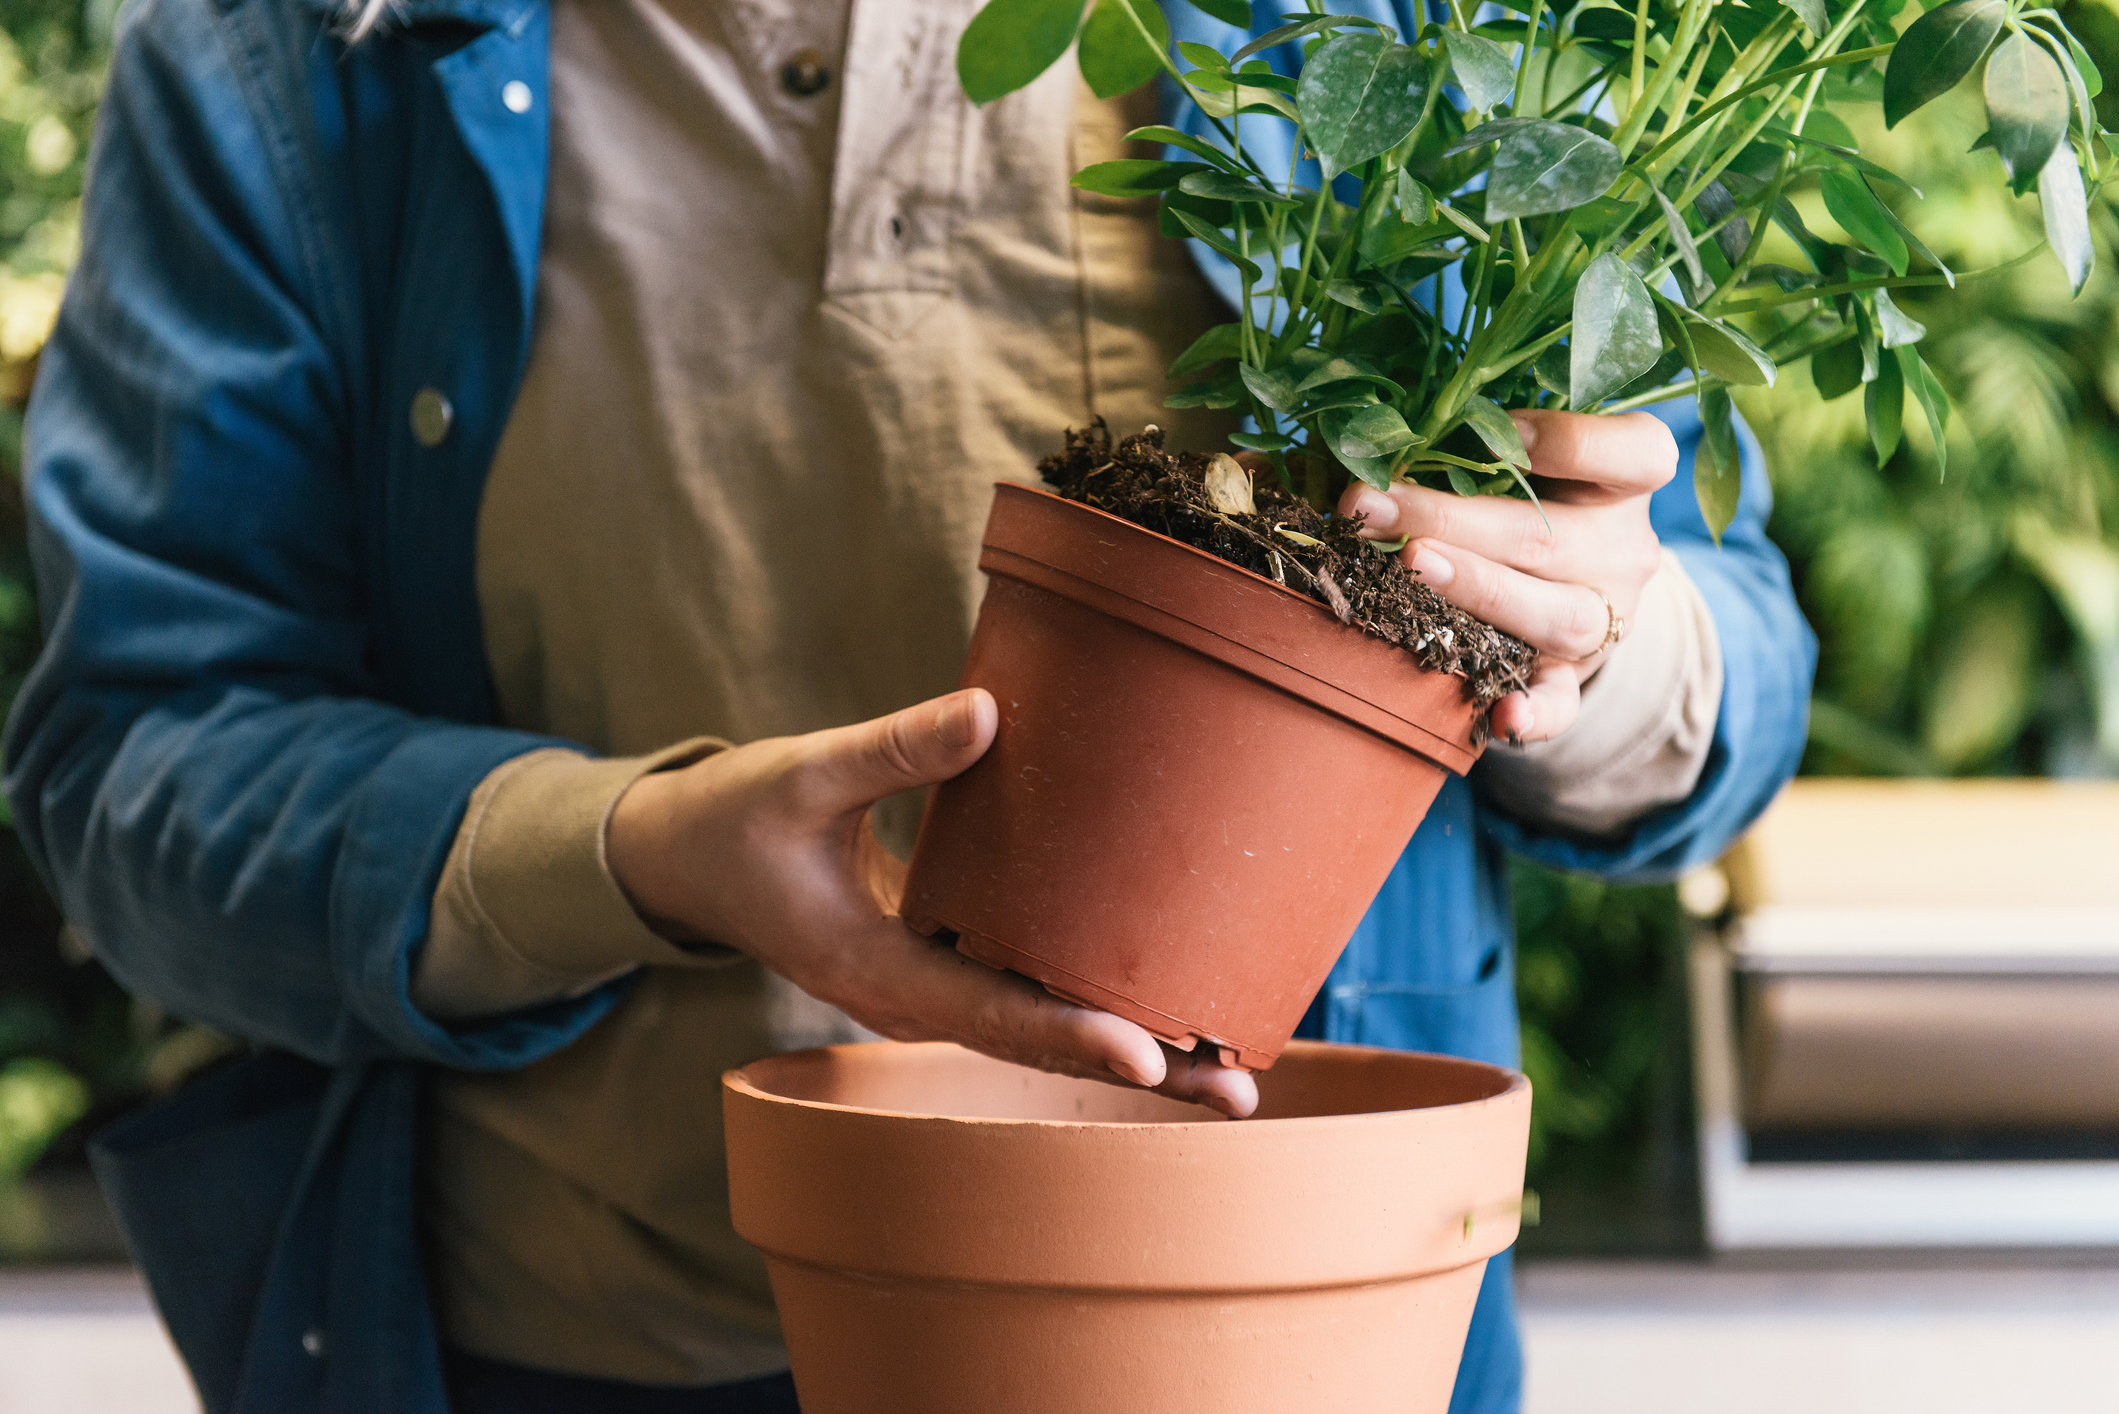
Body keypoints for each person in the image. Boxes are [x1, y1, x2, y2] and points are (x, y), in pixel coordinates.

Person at [1, 1, 1813, 1412]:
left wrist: (1577, 644)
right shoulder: (295, 50)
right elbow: (137, 758)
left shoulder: (1417, 36)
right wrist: (628, 853)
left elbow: (1723, 643)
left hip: (1266, 1323)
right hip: (573, 1334)